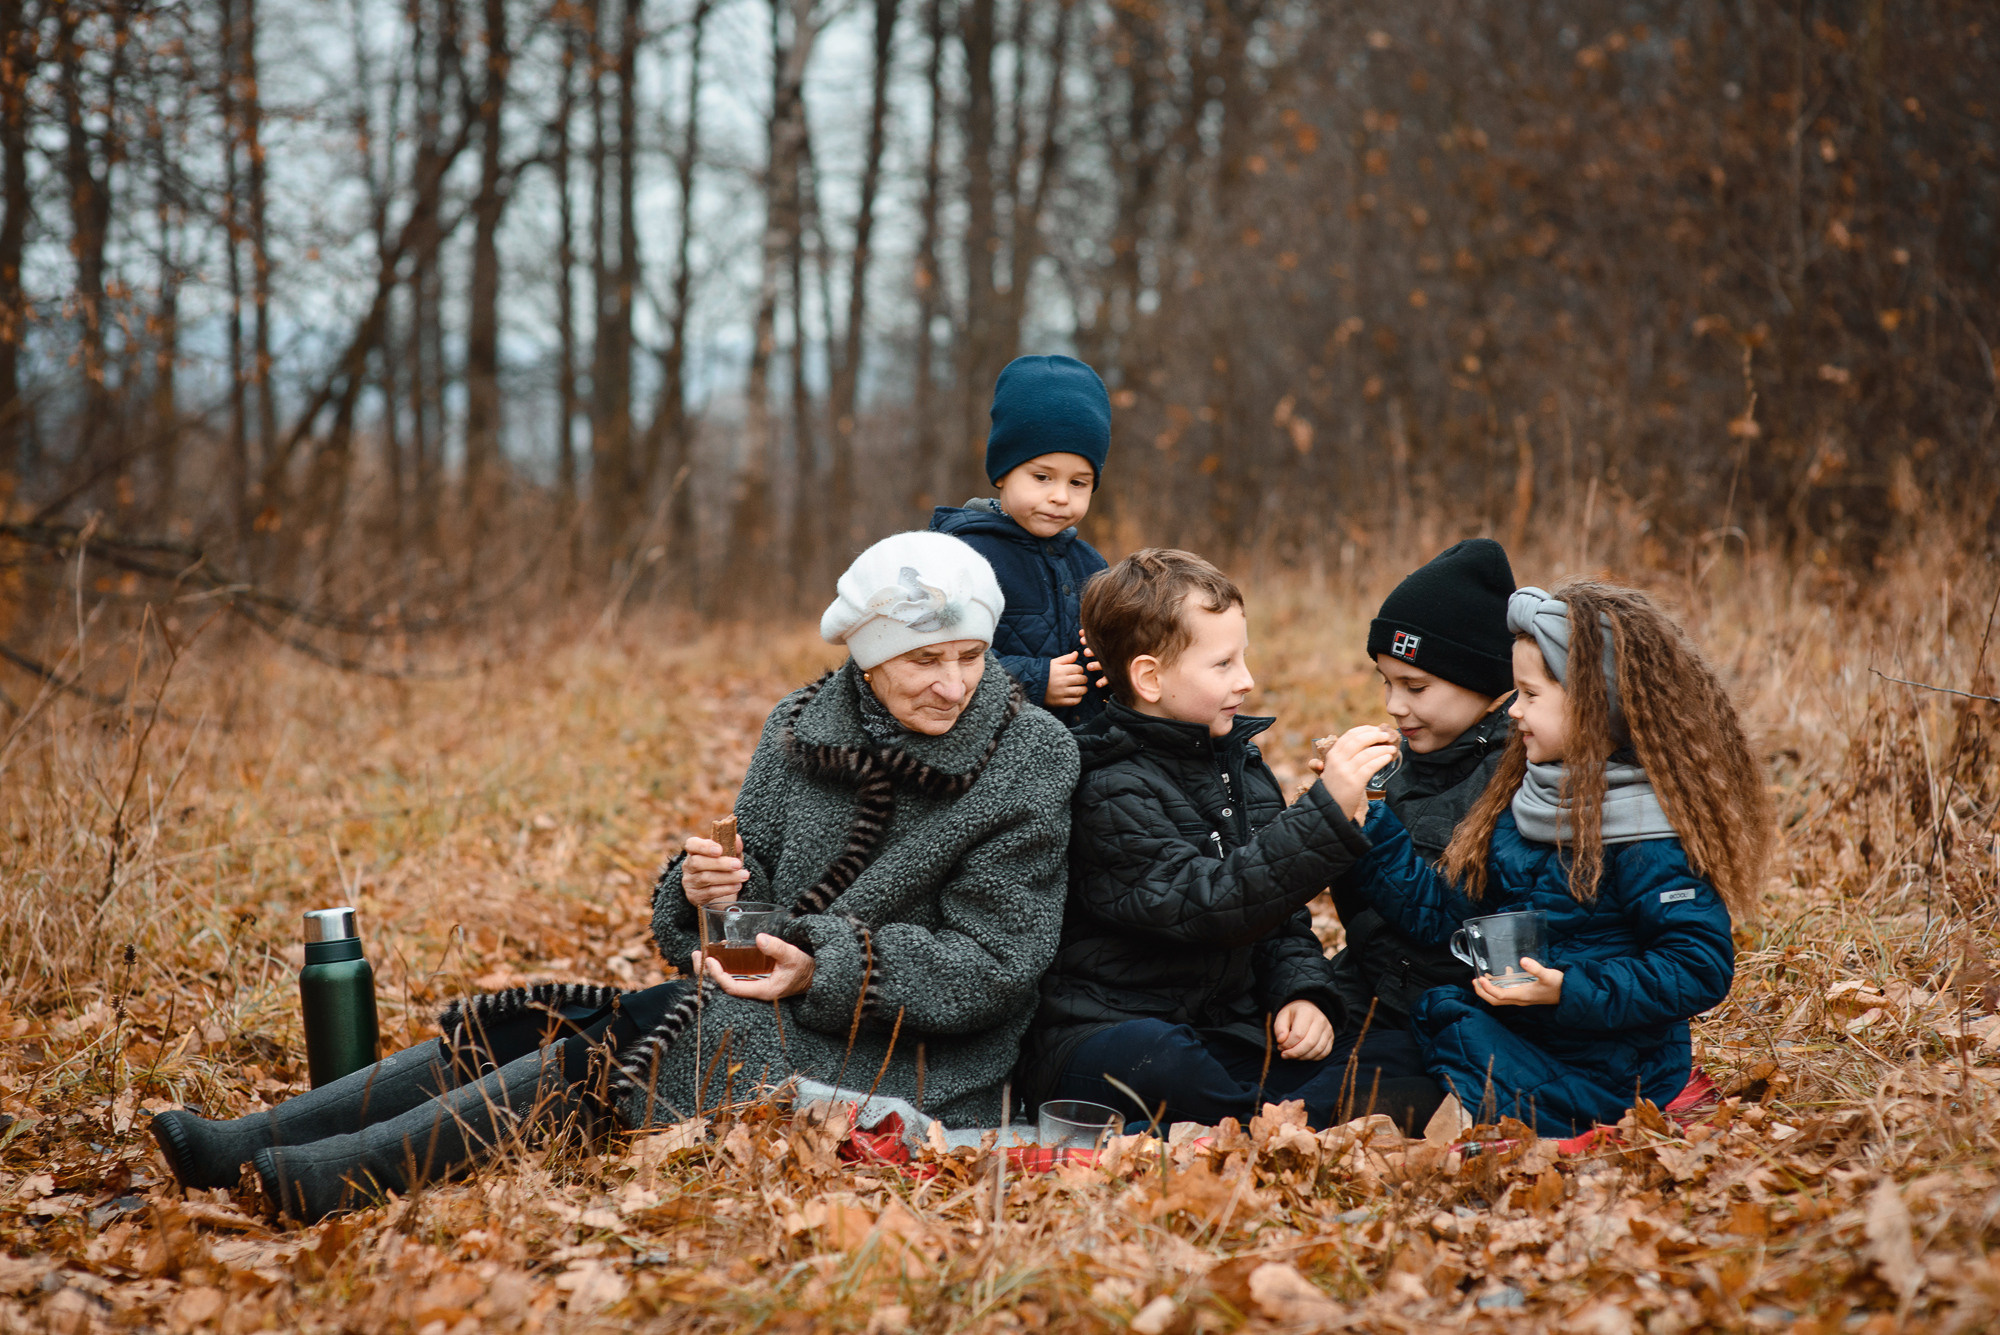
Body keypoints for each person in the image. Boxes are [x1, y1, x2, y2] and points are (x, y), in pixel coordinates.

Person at [150, 531, 1079, 1222]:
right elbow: (709, 904)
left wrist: (824, 962)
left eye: (970, 656)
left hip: (918, 1056)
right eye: (925, 658)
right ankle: (256, 1137)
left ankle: (340, 1171)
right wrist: (702, 886)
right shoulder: (801, 728)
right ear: (868, 659)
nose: (954, 684)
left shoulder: (1027, 756)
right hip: (763, 1000)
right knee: (561, 1018)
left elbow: (997, 961)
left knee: (625, 1047)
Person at [1325, 581, 1771, 1136]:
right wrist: (1368, 818)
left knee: (1376, 1101)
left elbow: (1697, 968)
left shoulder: (1647, 833)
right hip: (1522, 1035)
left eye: (1531, 695)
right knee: (1367, 1073)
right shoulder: (1523, 801)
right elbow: (1441, 917)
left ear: (1594, 702)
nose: (1513, 710)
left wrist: (1567, 988)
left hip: (1613, 1072)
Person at [1018, 549, 1406, 1131]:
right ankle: (1271, 1123)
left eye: (1243, 657)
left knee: (1397, 1056)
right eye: (1223, 664)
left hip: (1223, 1026)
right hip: (1107, 1033)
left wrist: (1304, 993)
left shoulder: (1242, 766)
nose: (1246, 680)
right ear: (1149, 677)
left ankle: (1261, 1118)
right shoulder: (1103, 784)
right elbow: (1208, 904)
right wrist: (1324, 814)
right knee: (1164, 1062)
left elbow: (1279, 916)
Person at [1306, 538, 1519, 1130]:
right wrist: (1323, 823)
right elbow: (1364, 915)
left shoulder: (1511, 779)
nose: (1395, 706)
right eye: (1387, 682)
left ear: (1482, 679)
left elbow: (1436, 921)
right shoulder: (1401, 764)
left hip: (1453, 1013)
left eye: (1416, 687)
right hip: (1372, 989)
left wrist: (1367, 818)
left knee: (1337, 1105)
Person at [931, 354, 1112, 728]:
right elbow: (938, 652)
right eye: (1042, 477)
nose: (1061, 496)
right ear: (1003, 474)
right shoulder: (964, 555)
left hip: (1090, 746)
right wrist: (1033, 679)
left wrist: (1117, 667)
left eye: (1078, 482)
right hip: (995, 748)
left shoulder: (1092, 565)